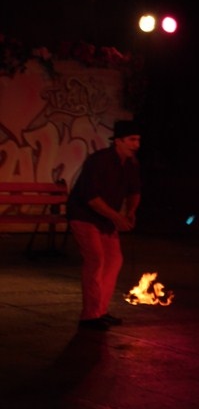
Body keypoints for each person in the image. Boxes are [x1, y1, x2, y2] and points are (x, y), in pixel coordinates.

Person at [67, 120, 142, 331]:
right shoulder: (99, 161)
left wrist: (130, 212)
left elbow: (134, 191)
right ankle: (90, 315)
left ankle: (100, 310)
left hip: (106, 220)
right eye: (132, 140)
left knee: (114, 261)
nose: (136, 145)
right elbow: (91, 198)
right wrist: (117, 217)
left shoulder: (131, 164)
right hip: (84, 216)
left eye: (138, 140)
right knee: (96, 260)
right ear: (118, 141)